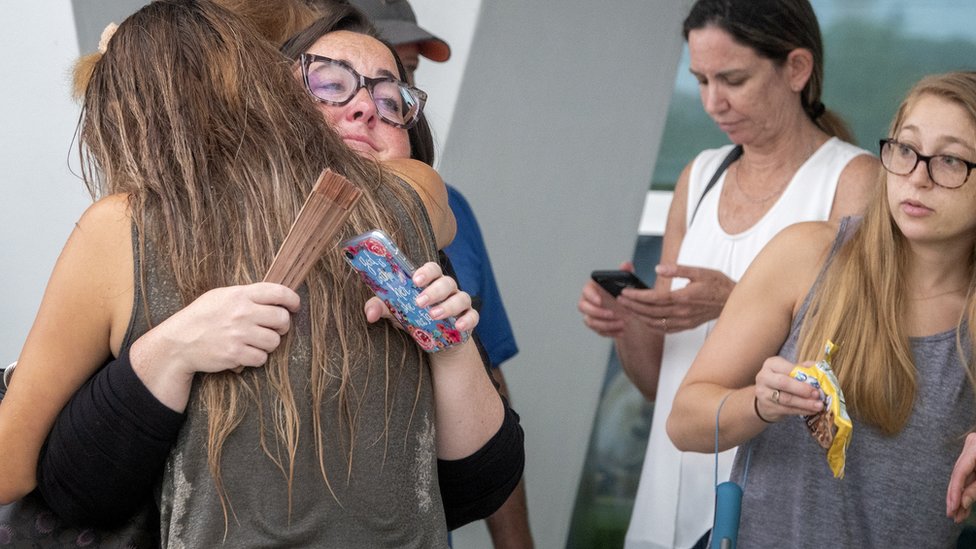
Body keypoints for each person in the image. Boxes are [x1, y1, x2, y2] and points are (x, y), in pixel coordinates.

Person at [0, 1, 521, 546]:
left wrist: (451, 345)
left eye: (393, 99)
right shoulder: (129, 231)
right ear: (267, 97)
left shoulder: (411, 211)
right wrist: (169, 352)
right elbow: (59, 478)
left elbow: (483, 479)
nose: (366, 108)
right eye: (328, 84)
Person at [576, 0, 878, 547]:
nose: (713, 102)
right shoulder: (700, 175)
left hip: (770, 501)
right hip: (667, 489)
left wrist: (736, 303)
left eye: (732, 79)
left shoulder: (851, 180)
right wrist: (629, 321)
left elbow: (853, 368)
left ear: (797, 69)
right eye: (700, 80)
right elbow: (658, 387)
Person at [667, 70, 976, 547]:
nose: (917, 176)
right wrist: (760, 403)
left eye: (951, 160)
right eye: (906, 150)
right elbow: (684, 421)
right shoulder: (808, 255)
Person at [347, 0, 532, 546]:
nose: (370, 107)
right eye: (338, 83)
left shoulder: (455, 214)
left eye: (398, 86)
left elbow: (492, 382)